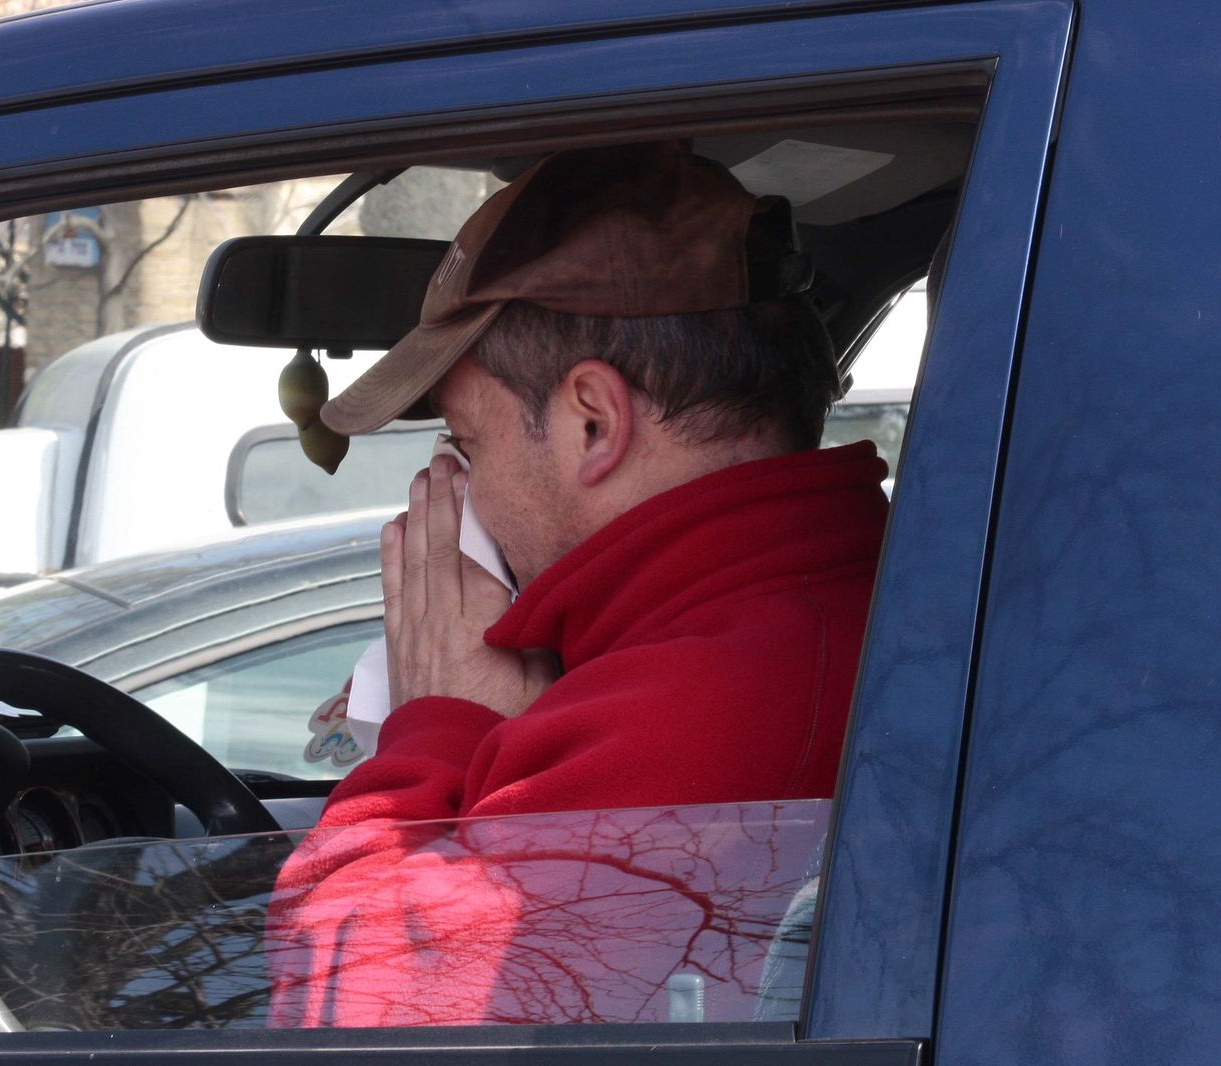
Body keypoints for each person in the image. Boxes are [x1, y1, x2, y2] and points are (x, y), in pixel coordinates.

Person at [264, 140, 891, 1026]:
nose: (462, 492)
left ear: (593, 423)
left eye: (468, 447)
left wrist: (438, 728)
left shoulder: (690, 709)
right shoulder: (836, 601)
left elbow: (348, 1017)